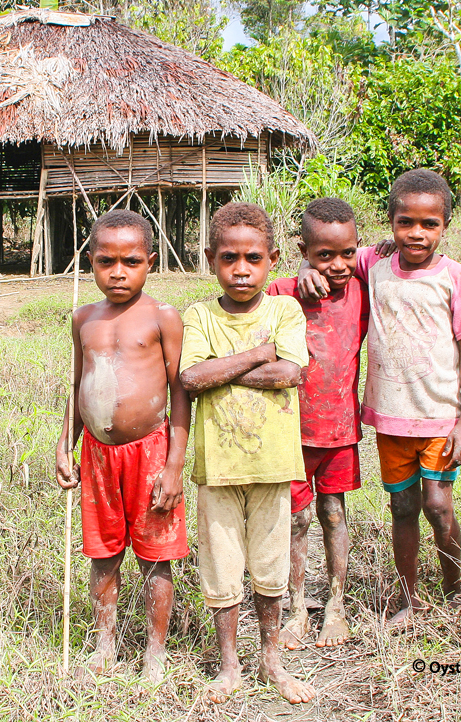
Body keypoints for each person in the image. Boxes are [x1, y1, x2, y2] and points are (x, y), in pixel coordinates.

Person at [302, 169, 461, 626]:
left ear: (445, 226)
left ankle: (455, 586)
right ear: (390, 222)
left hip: (440, 416)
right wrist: (307, 267)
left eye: (429, 224)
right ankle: (409, 598)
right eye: (406, 222)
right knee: (402, 506)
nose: (416, 233)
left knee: (438, 506)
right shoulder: (373, 264)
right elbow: (331, 254)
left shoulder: (454, 277)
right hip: (390, 419)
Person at [179, 202, 317, 704]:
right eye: (230, 258)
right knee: (220, 566)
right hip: (217, 467)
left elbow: (290, 374)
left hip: (272, 463)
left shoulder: (284, 310)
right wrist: (259, 354)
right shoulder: (198, 315)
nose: (242, 269)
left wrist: (225, 368)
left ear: (273, 259)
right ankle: (229, 667)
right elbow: (190, 379)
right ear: (211, 259)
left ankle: (271, 661)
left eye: (253, 259)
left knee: (270, 564)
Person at [55, 209, 190, 684]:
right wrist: (64, 443)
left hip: (149, 452)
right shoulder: (82, 318)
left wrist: (173, 466)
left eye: (130, 261)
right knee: (102, 552)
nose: (117, 272)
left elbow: (180, 393)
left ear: (150, 262)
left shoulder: (162, 317)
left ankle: (155, 651)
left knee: (155, 556)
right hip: (95, 453)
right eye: (105, 261)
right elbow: (78, 385)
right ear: (89, 261)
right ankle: (104, 643)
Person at [266, 198, 368, 649]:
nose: (338, 264)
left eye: (347, 253)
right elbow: (253, 297)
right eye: (324, 255)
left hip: (340, 430)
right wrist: (294, 277)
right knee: (295, 519)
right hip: (290, 431)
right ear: (303, 250)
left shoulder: (365, 289)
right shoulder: (283, 292)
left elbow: (392, 256)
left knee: (333, 513)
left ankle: (337, 605)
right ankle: (297, 605)